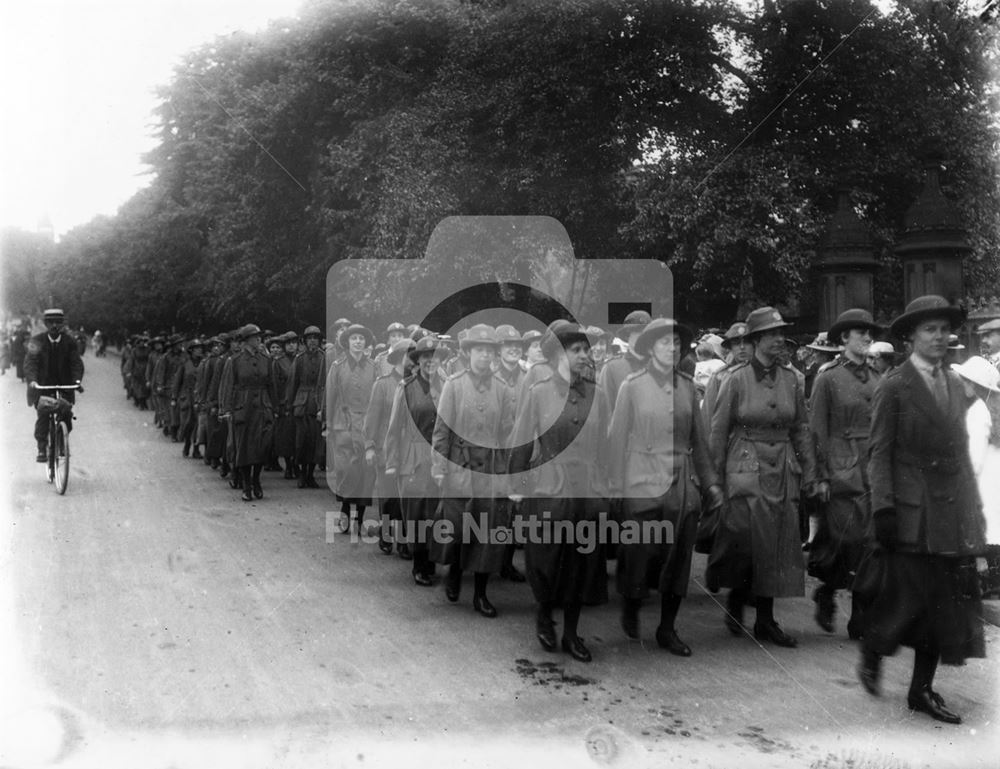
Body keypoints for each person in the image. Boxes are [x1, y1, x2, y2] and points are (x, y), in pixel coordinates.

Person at [860, 294, 987, 724]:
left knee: (942, 604)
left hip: (948, 510)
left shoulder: (955, 384)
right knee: (903, 600)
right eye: (929, 330)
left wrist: (975, 516)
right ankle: (873, 650)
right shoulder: (893, 386)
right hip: (911, 510)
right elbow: (878, 453)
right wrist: (884, 509)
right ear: (911, 337)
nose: (938, 337)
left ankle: (921, 691)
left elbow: (961, 457)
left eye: (943, 330)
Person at [608, 318, 723, 656]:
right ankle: (631, 602)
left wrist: (711, 484)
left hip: (681, 481)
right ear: (649, 348)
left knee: (678, 556)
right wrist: (615, 486)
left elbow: (699, 442)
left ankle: (667, 628)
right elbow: (616, 440)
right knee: (639, 550)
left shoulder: (688, 386)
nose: (672, 348)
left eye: (676, 343)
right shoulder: (631, 385)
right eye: (664, 343)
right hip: (640, 479)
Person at [707, 306, 818, 647]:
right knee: (748, 539)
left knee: (778, 543)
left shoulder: (791, 379)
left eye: (779, 333)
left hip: (782, 466)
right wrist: (713, 480)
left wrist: (811, 472)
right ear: (755, 340)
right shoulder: (736, 379)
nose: (778, 339)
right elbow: (718, 429)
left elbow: (800, 428)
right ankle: (739, 596)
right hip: (745, 463)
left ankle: (766, 620)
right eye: (770, 334)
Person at [508, 320, 610, 661]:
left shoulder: (599, 394)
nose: (584, 356)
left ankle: (571, 633)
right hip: (549, 487)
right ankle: (543, 614)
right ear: (558, 356)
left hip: (587, 489)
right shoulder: (538, 393)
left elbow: (607, 447)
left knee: (581, 564)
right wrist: (517, 490)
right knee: (546, 560)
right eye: (576, 350)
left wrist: (608, 491)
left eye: (586, 350)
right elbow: (521, 445)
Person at [431, 324, 516, 617]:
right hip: (460, 467)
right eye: (479, 350)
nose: (484, 356)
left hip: (490, 471)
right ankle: (454, 571)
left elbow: (508, 436)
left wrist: (509, 475)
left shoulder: (503, 390)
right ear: (468, 353)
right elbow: (441, 431)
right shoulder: (454, 385)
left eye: (489, 351)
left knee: (488, 533)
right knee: (456, 528)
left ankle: (480, 592)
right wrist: (439, 467)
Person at [807, 309, 881, 638]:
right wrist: (819, 476)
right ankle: (828, 591)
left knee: (870, 545)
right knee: (848, 540)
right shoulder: (828, 377)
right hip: (840, 470)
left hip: (872, 472)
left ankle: (859, 616)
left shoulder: (878, 377)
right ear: (843, 339)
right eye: (859, 332)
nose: (866, 337)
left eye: (869, 333)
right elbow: (816, 432)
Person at [385, 336, 444, 583]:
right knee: (417, 512)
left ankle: (430, 561)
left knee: (437, 512)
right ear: (417, 360)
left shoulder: (448, 386)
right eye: (425, 356)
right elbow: (394, 427)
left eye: (435, 356)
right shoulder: (406, 387)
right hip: (413, 457)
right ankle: (420, 565)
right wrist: (392, 462)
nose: (430, 361)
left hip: (439, 456)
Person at [951, 356, 1000, 598]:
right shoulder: (981, 408)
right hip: (985, 479)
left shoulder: (977, 412)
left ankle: (980, 579)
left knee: (978, 532)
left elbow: (974, 455)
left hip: (977, 480)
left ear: (972, 384)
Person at [325, 323, 377, 530]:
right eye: (354, 338)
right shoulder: (337, 367)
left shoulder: (374, 366)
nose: (357, 342)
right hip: (343, 425)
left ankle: (360, 517)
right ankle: (345, 511)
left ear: (366, 343)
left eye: (361, 338)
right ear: (347, 342)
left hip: (367, 425)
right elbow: (330, 396)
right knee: (347, 470)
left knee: (366, 472)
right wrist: (328, 424)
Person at [366, 337, 414, 557]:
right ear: (398, 358)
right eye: (409, 355)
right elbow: (372, 420)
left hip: (409, 451)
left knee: (406, 495)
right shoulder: (383, 384)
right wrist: (370, 446)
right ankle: (386, 533)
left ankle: (404, 540)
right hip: (386, 449)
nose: (413, 360)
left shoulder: (417, 383)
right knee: (388, 495)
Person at [219, 324, 276, 501]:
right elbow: (227, 386)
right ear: (245, 341)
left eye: (259, 336)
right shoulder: (234, 361)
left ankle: (256, 480)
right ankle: (246, 485)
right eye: (254, 337)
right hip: (243, 408)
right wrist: (226, 409)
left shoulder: (267, 360)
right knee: (243, 447)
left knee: (262, 445)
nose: (258, 339)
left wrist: (275, 407)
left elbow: (272, 385)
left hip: (262, 406)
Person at [24, 309, 84, 461]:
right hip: (42, 386)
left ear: (62, 324)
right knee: (43, 414)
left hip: (64, 386)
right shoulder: (37, 341)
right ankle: (42, 448)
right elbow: (30, 362)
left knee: (66, 414)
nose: (54, 326)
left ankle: (62, 442)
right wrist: (32, 380)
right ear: (46, 324)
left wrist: (77, 381)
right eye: (51, 322)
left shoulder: (70, 342)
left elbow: (76, 363)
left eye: (58, 322)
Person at [172, 338, 205, 458]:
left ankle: (196, 449)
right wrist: (174, 397)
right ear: (191, 351)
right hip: (186, 397)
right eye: (196, 349)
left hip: (199, 397)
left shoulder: (204, 363)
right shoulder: (184, 364)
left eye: (200, 348)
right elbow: (177, 381)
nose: (199, 350)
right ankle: (186, 445)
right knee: (187, 424)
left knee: (198, 424)